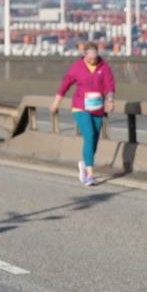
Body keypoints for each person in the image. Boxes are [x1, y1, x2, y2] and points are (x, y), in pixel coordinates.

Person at [51, 43, 115, 185]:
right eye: (90, 58)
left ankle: (84, 164)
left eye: (95, 57)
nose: (93, 60)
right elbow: (65, 85)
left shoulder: (104, 67)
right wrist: (56, 103)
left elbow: (110, 86)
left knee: (94, 142)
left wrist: (110, 100)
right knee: (89, 134)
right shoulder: (76, 67)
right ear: (85, 55)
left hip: (98, 108)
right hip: (80, 107)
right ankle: (90, 175)